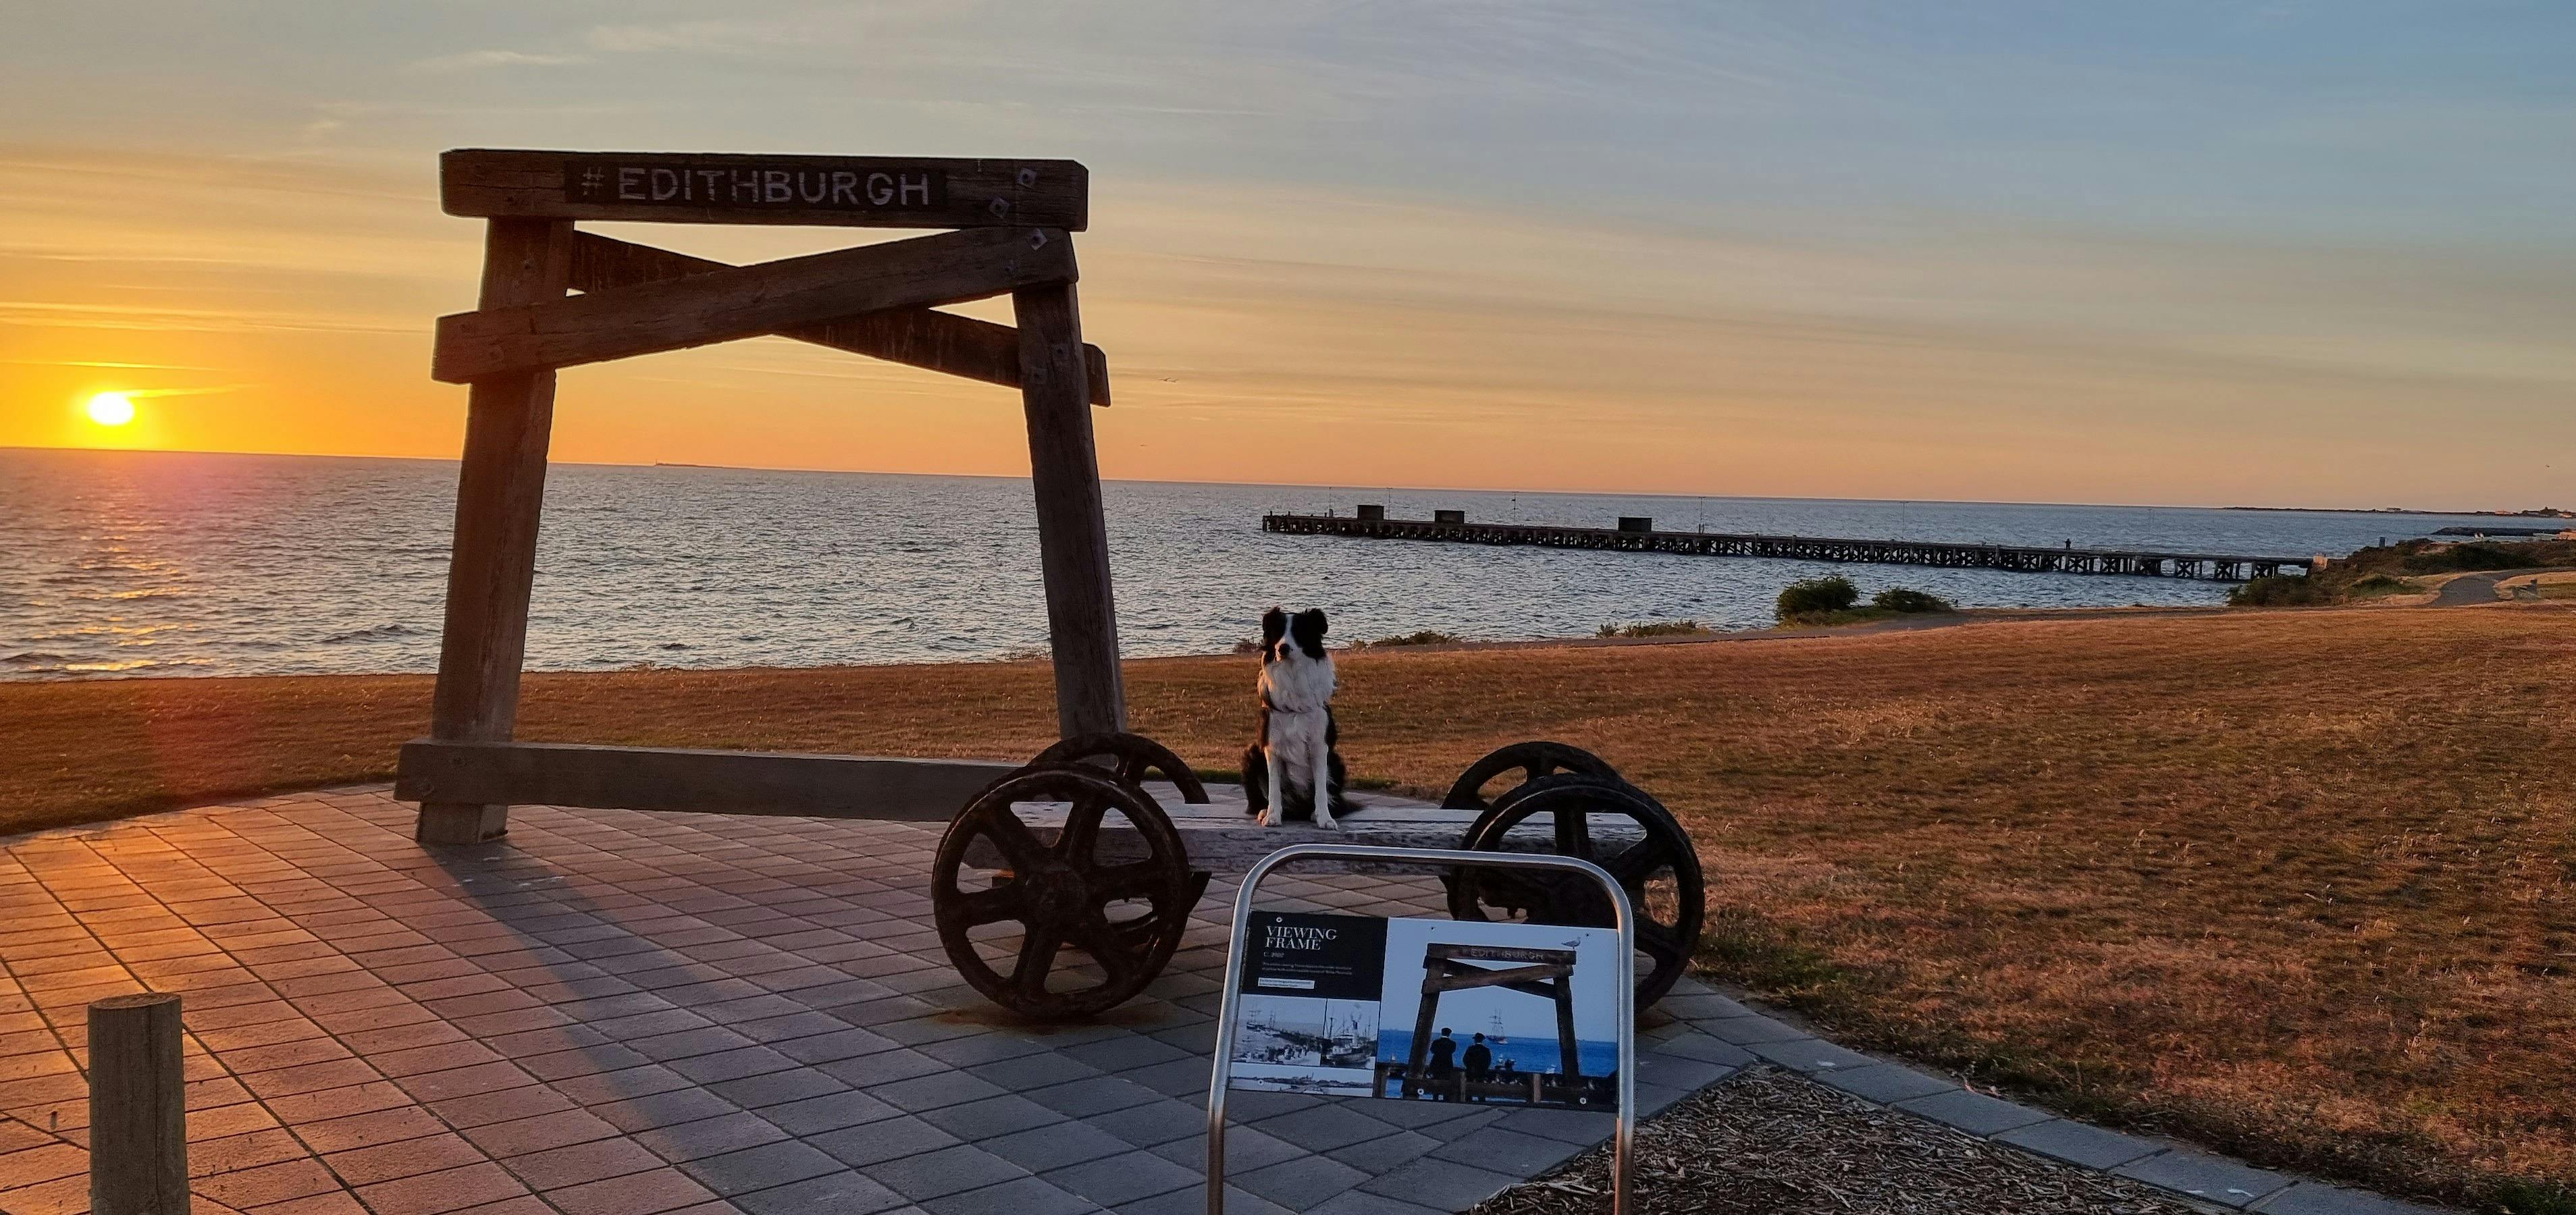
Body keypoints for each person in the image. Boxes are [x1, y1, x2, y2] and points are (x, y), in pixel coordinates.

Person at [1426, 1028, 1458, 1100]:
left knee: (1436, 1080)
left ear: (1442, 1033)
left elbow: (1432, 1050)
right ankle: (1445, 1097)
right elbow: (1452, 1051)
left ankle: (1435, 1096)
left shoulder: (1436, 1042)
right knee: (1447, 1081)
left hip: (1436, 1063)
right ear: (1449, 1034)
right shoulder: (1453, 1043)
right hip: (1447, 1064)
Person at [1462, 1032, 1493, 1102]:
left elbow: (1465, 1059)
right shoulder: (1486, 1050)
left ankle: (1468, 1099)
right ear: (1482, 1040)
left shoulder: (1471, 1049)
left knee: (1469, 1085)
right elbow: (1488, 1061)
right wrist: (1484, 1068)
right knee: (1481, 1085)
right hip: (1482, 1071)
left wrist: (1469, 1067)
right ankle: (1481, 1099)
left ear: (1475, 1040)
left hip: (1471, 1070)